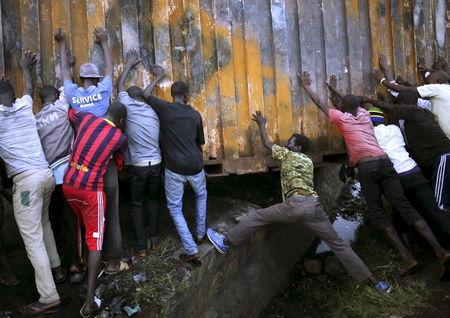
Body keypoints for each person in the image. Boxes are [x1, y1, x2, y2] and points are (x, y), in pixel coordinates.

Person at [207, 111, 392, 293]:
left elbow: (266, 143)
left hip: (296, 205)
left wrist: (262, 125)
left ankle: (226, 241)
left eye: (290, 142)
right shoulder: (309, 162)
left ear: (297, 148)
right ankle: (375, 283)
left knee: (258, 216)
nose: (287, 144)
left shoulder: (288, 155)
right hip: (315, 207)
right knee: (338, 244)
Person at [300, 71, 450, 278]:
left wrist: (307, 87)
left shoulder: (343, 119)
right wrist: (335, 90)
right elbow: (350, 103)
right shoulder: (364, 116)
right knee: (406, 208)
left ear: (343, 110)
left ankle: (408, 259)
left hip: (368, 168)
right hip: (386, 164)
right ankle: (441, 252)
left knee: (378, 212)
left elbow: (321, 103)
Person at [55, 28, 126, 274]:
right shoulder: (104, 91)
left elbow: (64, 72)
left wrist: (62, 44)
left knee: (84, 214)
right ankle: (114, 260)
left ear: (80, 79)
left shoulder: (73, 95)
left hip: (81, 163)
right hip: (104, 162)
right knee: (112, 210)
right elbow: (110, 67)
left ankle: (84, 260)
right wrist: (105, 42)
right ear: (96, 79)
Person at [0, 51, 63, 314]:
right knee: (44, 224)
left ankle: (48, 296)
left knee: (32, 238)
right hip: (46, 177)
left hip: (26, 184)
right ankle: (57, 269)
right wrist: (26, 68)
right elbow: (28, 87)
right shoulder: (25, 107)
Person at [63, 102, 127, 317]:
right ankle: (89, 303)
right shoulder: (118, 136)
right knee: (95, 240)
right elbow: (119, 162)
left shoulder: (87, 118)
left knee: (78, 226)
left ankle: (78, 267)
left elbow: (70, 113)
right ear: (120, 122)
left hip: (68, 185)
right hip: (91, 191)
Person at [143, 65, 207, 262]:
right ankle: (200, 234)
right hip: (195, 165)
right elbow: (200, 144)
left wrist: (158, 76)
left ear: (172, 95)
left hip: (174, 168)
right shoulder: (195, 115)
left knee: (174, 208)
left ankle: (190, 248)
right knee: (201, 195)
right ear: (186, 96)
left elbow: (145, 93)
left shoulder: (164, 109)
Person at [374, 61, 450, 212]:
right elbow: (400, 94)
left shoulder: (425, 104)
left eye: (428, 82)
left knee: (441, 200)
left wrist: (384, 80)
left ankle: (442, 211)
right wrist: (426, 72)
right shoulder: (429, 105)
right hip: (427, 156)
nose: (425, 83)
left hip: (440, 153)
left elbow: (402, 93)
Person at [117, 49, 162, 257]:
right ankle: (154, 239)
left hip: (139, 166)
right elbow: (146, 94)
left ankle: (141, 248)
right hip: (156, 164)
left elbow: (119, 85)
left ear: (129, 98)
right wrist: (159, 77)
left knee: (136, 204)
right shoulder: (151, 110)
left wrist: (129, 63)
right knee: (152, 201)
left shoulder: (126, 105)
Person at [35, 47, 77, 270]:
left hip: (48, 177)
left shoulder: (34, 120)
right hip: (68, 173)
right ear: (55, 97)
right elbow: (66, 83)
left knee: (53, 220)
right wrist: (68, 65)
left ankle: (57, 265)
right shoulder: (62, 107)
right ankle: (75, 263)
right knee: (73, 221)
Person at [377, 59, 450, 139]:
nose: (426, 84)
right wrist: (424, 70)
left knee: (406, 97)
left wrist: (383, 78)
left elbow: (404, 91)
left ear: (438, 82)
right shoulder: (443, 89)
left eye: (428, 82)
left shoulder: (439, 89)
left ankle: (391, 103)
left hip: (438, 134)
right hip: (441, 134)